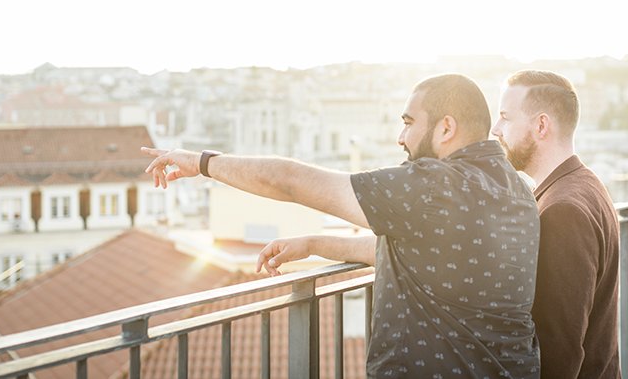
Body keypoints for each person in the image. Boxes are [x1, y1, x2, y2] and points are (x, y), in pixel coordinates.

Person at [143, 74, 542, 378]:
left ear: (446, 128)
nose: (400, 137)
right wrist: (318, 243)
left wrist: (202, 163)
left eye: (408, 122)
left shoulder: (434, 186)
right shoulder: (517, 190)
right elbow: (431, 255)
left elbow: (290, 181)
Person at [492, 70, 620, 379]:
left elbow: (558, 352)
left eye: (506, 118)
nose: (496, 129)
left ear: (540, 125)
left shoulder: (562, 211)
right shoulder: (585, 183)